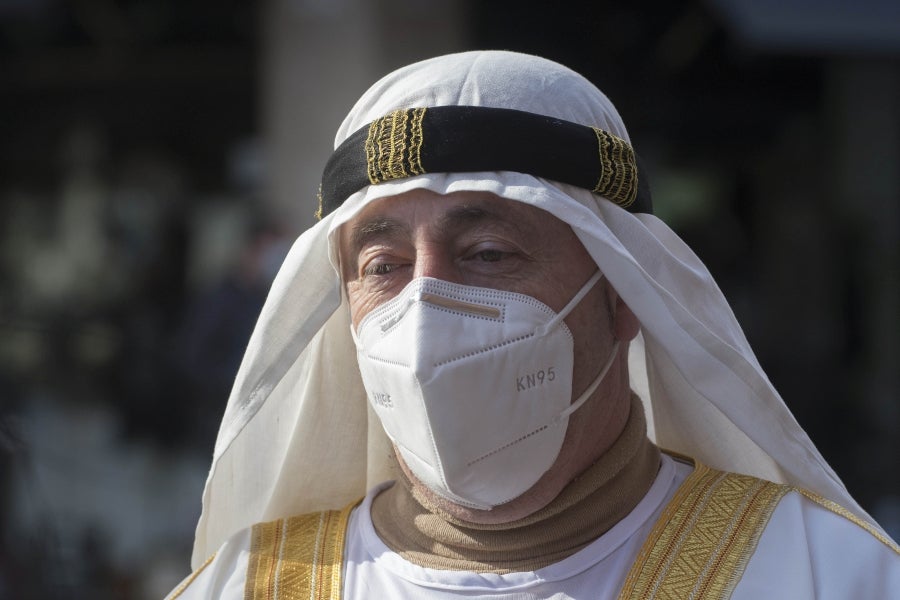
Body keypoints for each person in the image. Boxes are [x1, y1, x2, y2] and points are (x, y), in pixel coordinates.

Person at [166, 51, 899, 599]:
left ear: (621, 300)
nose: (424, 313)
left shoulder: (823, 574)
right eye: (384, 265)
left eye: (488, 253)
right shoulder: (247, 586)